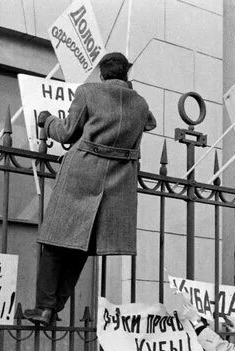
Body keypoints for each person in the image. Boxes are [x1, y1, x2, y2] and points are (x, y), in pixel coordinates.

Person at [24, 52, 157, 325]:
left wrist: (47, 120)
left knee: (54, 241)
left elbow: (66, 133)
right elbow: (150, 123)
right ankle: (55, 306)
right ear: (126, 73)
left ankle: (44, 307)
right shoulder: (140, 104)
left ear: (101, 73)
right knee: (80, 247)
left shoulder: (88, 92)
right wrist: (128, 92)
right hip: (115, 183)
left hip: (81, 174)